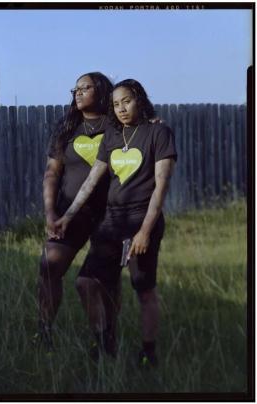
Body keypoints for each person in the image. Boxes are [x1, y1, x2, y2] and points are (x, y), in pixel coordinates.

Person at [55, 79, 177, 366]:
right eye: (115, 104)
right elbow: (90, 181)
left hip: (141, 220)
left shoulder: (159, 133)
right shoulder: (112, 136)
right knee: (86, 282)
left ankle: (148, 353)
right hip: (112, 221)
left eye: (127, 101)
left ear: (139, 99)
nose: (121, 109)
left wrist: (145, 231)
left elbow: (161, 187)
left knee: (143, 289)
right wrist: (67, 216)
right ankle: (104, 342)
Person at [35, 72, 120, 357]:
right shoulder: (68, 126)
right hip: (70, 212)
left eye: (85, 87)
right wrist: (49, 210)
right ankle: (44, 333)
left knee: (96, 281)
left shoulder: (118, 124)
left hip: (110, 214)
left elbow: (147, 132)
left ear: (102, 91)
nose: (78, 92)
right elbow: (51, 173)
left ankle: (105, 340)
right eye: (75, 88)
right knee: (49, 266)